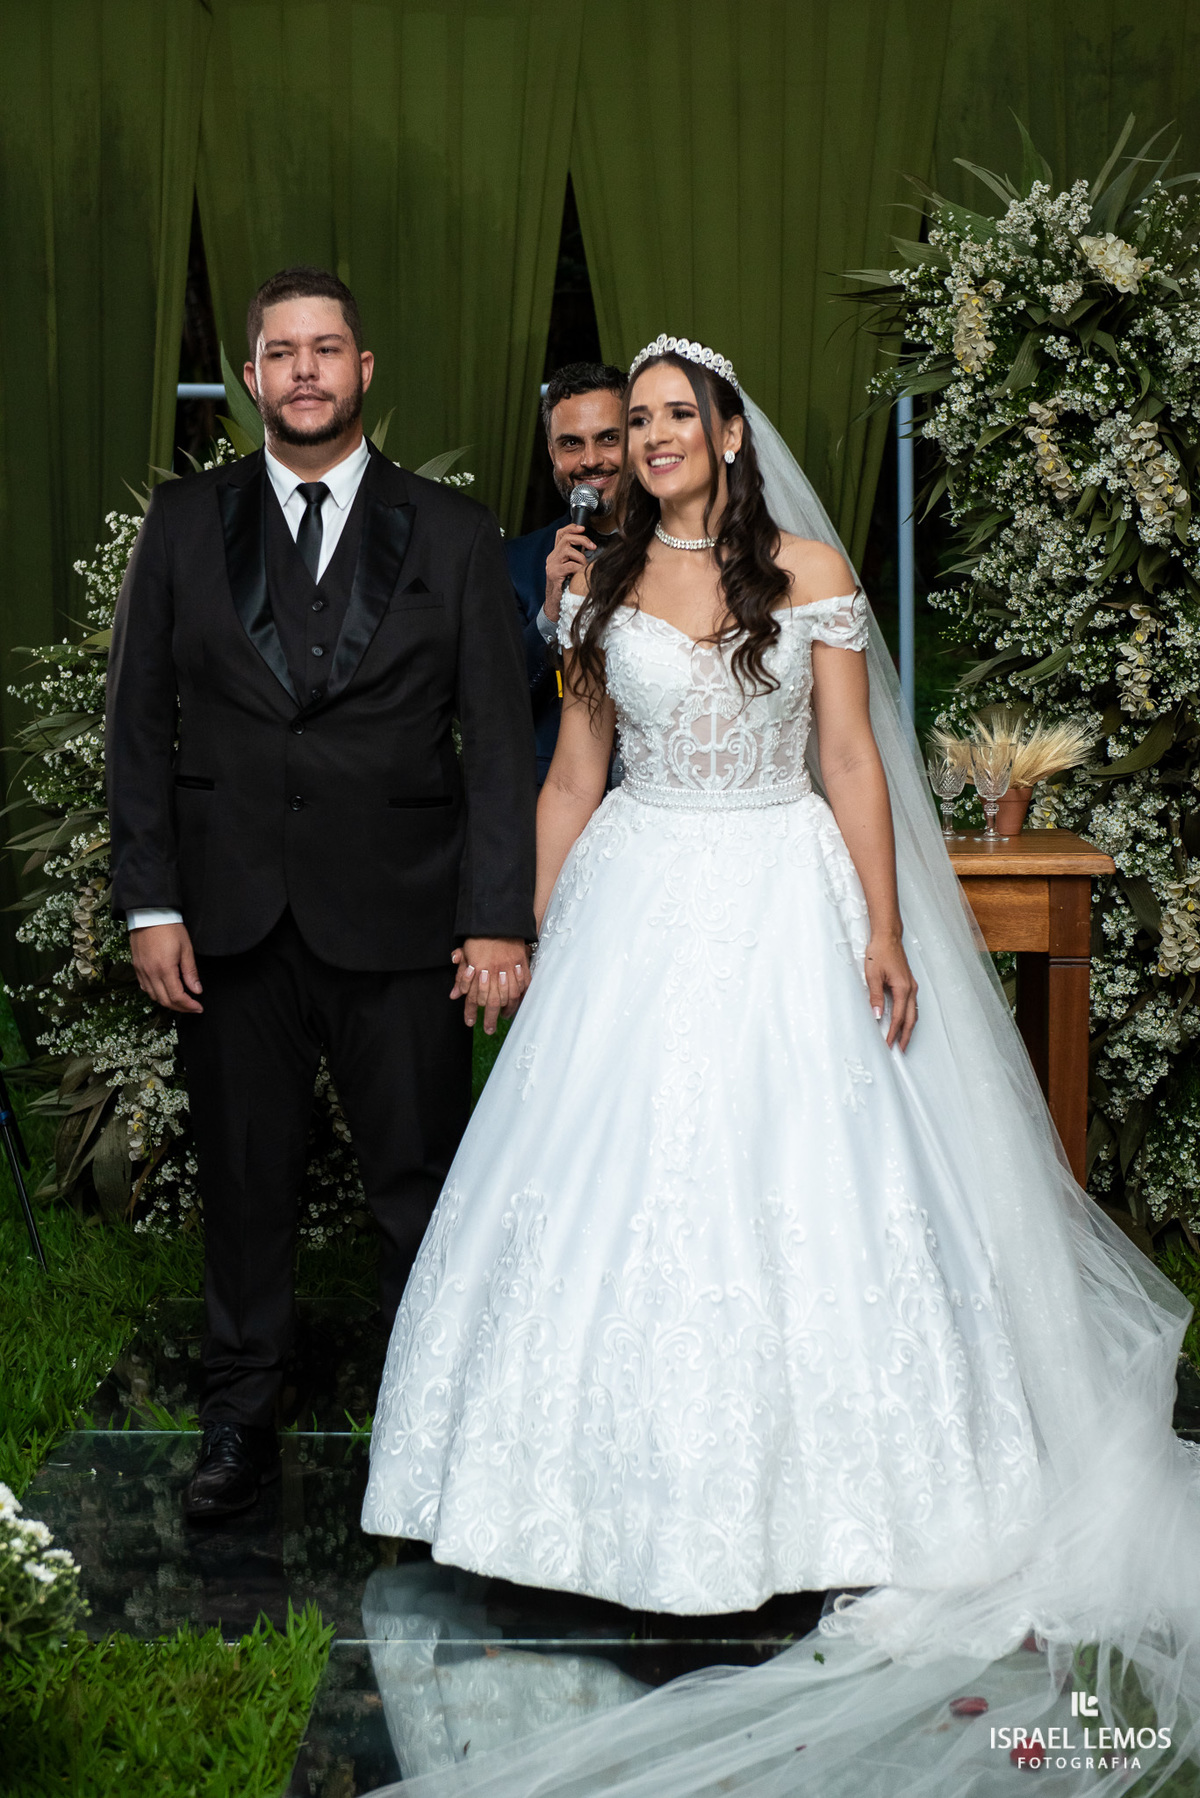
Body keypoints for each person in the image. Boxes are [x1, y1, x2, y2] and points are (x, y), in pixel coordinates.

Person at [360, 335, 1200, 1796]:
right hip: (632, 900)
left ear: (731, 433)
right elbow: (573, 775)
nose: (655, 436)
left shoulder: (808, 572)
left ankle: (831, 1510)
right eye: (637, 420)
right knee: (605, 1189)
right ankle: (562, 1510)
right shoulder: (596, 584)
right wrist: (537, 932)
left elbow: (853, 762)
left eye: (678, 415)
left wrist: (882, 926)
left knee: (801, 1179)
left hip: (780, 894)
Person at [106, 265, 536, 1524]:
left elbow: (496, 742)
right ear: (252, 376)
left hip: (403, 918)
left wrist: (495, 915)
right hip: (228, 920)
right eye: (282, 352)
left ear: (363, 370)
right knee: (245, 1187)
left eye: (327, 348)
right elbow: (137, 722)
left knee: (419, 1185)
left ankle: (433, 1430)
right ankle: (238, 1422)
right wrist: (150, 904)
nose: (305, 370)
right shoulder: (183, 522)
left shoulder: (450, 532)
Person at [505, 362, 627, 783]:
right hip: (554, 793)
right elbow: (494, 705)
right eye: (572, 444)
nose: (591, 460)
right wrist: (550, 612)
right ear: (552, 454)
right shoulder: (514, 562)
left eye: (608, 438)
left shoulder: (685, 553)